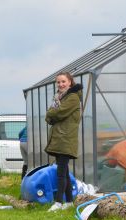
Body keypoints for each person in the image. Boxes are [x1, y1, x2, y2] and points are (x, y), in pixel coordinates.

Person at [44, 72, 82, 212]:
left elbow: (58, 113)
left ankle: (58, 202)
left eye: (63, 81)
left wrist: (52, 114)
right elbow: (49, 115)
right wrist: (52, 114)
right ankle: (69, 202)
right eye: (58, 82)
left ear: (70, 82)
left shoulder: (72, 98)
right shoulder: (58, 97)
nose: (60, 84)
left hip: (66, 139)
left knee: (61, 172)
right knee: (64, 171)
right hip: (60, 139)